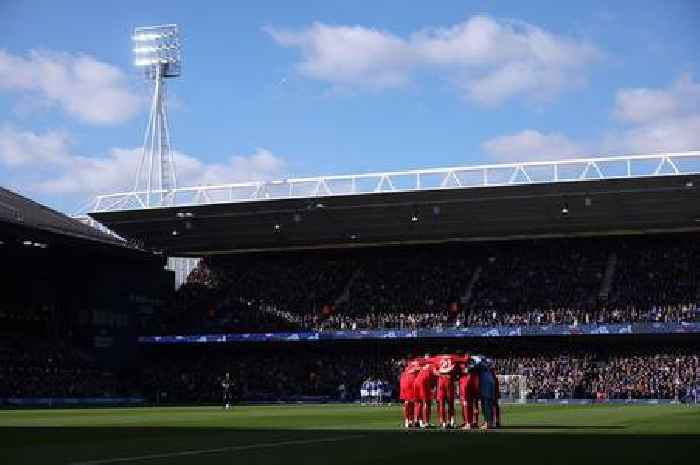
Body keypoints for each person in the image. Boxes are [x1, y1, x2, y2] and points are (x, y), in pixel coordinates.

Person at [413, 354, 437, 428]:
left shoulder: (423, 365)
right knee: (426, 402)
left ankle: (416, 421)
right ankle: (426, 423)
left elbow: (415, 368)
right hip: (423, 383)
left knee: (418, 402)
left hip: (416, 382)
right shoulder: (433, 365)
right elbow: (435, 372)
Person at [435, 353, 458, 428]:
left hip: (441, 381)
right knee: (450, 402)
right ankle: (451, 421)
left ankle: (443, 422)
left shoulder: (437, 358)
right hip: (449, 380)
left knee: (441, 403)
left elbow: (435, 371)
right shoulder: (453, 358)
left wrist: (440, 373)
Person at [459, 354, 480, 429]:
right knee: (474, 404)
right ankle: (474, 422)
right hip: (474, 384)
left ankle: (468, 423)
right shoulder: (475, 363)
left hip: (466, 384)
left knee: (466, 404)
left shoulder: (462, 364)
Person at [399, 357, 421, 427]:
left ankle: (408, 421)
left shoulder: (407, 366)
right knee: (416, 403)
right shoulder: (418, 363)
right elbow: (419, 369)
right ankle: (415, 420)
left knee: (408, 402)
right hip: (411, 383)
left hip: (404, 383)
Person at [477, 360, 497, 429]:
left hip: (486, 385)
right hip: (489, 384)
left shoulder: (481, 364)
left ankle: (487, 423)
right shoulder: (488, 367)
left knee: (486, 404)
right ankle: (489, 422)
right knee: (488, 404)